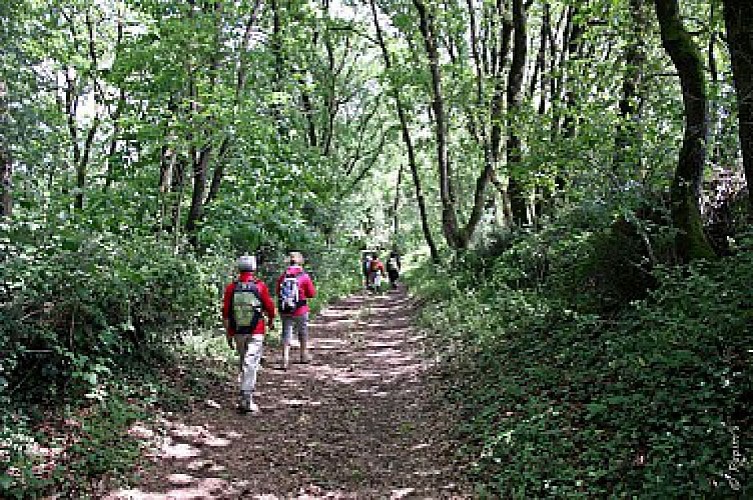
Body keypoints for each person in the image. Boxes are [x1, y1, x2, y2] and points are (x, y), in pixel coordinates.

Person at [222, 255, 276, 413]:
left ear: (239, 268)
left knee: (244, 360)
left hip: (238, 330)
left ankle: (245, 393)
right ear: (254, 268)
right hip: (256, 330)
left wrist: (228, 333)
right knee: (250, 363)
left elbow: (225, 312)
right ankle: (246, 398)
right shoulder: (259, 286)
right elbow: (270, 307)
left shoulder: (232, 287)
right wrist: (271, 320)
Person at [276, 251, 317, 369]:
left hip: (285, 309)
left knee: (286, 332)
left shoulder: (283, 276)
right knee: (302, 331)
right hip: (300, 309)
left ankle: (285, 358)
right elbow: (311, 294)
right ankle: (304, 355)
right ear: (301, 262)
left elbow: (278, 293)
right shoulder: (304, 276)